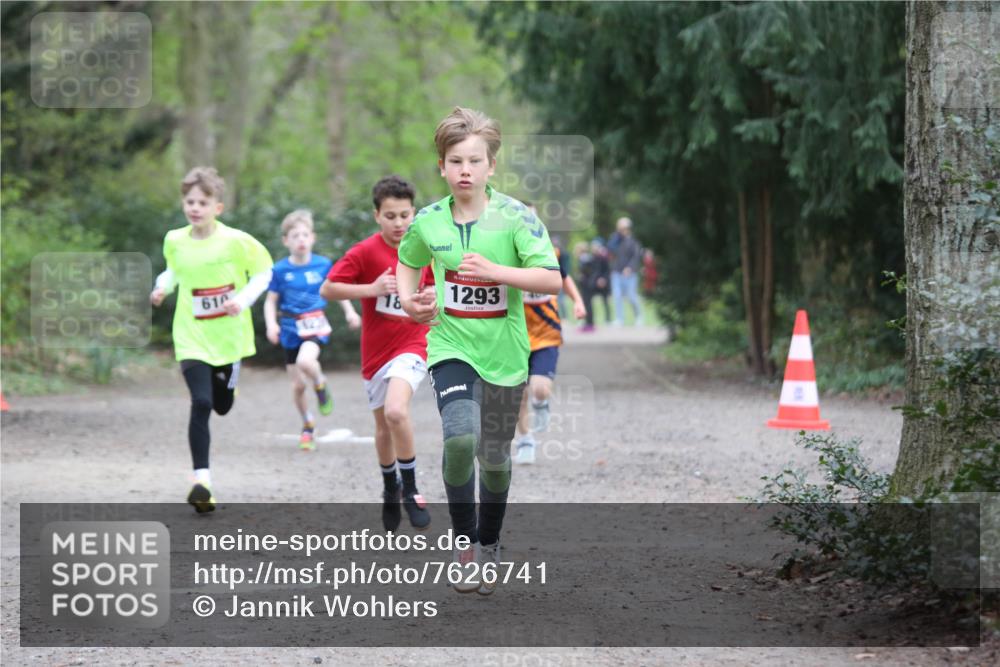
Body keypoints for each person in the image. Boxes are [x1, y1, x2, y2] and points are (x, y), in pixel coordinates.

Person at [396, 107, 560, 595]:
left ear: (490, 166)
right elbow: (409, 261)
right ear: (442, 168)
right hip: (450, 344)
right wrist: (410, 301)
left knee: (493, 455)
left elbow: (550, 278)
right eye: (454, 161)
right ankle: (464, 545)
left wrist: (498, 272)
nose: (464, 170)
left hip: (506, 354)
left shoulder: (517, 219)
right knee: (461, 438)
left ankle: (490, 543)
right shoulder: (427, 221)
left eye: (474, 160)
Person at [150, 166, 273, 513]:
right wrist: (161, 287)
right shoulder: (175, 239)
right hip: (190, 335)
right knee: (201, 403)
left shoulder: (236, 241)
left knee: (221, 404)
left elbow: (265, 272)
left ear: (217, 207)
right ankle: (201, 481)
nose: (194, 208)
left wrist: (243, 299)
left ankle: (228, 387)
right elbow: (174, 269)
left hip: (229, 338)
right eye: (189, 201)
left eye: (202, 202)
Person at [321, 176, 434, 533]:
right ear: (376, 216)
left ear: (413, 213)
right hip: (376, 351)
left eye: (404, 215)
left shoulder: (427, 248)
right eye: (390, 216)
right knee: (383, 427)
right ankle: (390, 489)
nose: (399, 223)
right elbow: (328, 289)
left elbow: (443, 289)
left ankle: (412, 489)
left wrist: (432, 299)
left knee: (397, 411)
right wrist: (370, 288)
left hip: (414, 344)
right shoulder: (365, 251)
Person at [263, 210, 360, 451]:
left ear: (313, 238)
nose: (301, 240)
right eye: (295, 236)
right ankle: (308, 425)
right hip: (289, 329)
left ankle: (320, 382)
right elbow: (270, 301)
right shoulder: (279, 269)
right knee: (297, 386)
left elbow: (335, 289)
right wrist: (271, 324)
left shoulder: (323, 264)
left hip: (315, 325)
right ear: (286, 241)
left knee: (307, 362)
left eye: (305, 235)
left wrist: (349, 311)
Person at [513, 208, 587, 465]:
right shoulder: (503, 254)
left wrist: (577, 301)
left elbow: (564, 280)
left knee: (539, 388)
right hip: (514, 334)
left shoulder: (548, 252)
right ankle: (525, 441)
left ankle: (541, 403)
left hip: (546, 333)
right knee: (516, 393)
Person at [609, 217, 643, 326]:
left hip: (630, 273)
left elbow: (636, 256)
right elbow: (609, 247)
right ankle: (619, 319)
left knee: (632, 296)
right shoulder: (616, 239)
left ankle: (638, 317)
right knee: (617, 295)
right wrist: (617, 235)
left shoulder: (633, 241)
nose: (622, 230)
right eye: (620, 228)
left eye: (624, 227)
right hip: (616, 272)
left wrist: (630, 267)